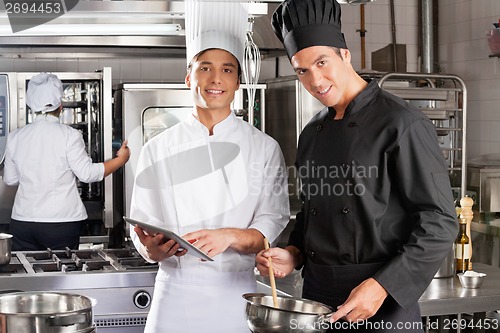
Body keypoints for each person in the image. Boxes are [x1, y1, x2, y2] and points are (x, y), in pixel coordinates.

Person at [256, 0, 458, 331]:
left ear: (345, 55)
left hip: (380, 300)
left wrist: (382, 287)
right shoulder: (311, 132)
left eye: (322, 63)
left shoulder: (401, 123)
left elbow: (440, 222)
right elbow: (313, 213)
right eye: (302, 71)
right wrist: (293, 253)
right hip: (316, 299)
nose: (316, 80)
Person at [129, 1, 289, 332]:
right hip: (175, 291)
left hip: (237, 295)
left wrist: (228, 236)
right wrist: (151, 249)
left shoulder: (264, 148)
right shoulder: (157, 149)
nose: (215, 78)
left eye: (227, 69)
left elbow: (270, 225)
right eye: (204, 67)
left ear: (238, 82)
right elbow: (143, 226)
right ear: (188, 77)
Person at [3, 73, 130, 251]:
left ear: (31, 105)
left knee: (27, 275)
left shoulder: (15, 137)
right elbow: (87, 174)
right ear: (60, 107)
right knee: (60, 275)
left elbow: (10, 180)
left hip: (23, 222)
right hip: (60, 222)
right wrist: (121, 159)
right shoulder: (70, 135)